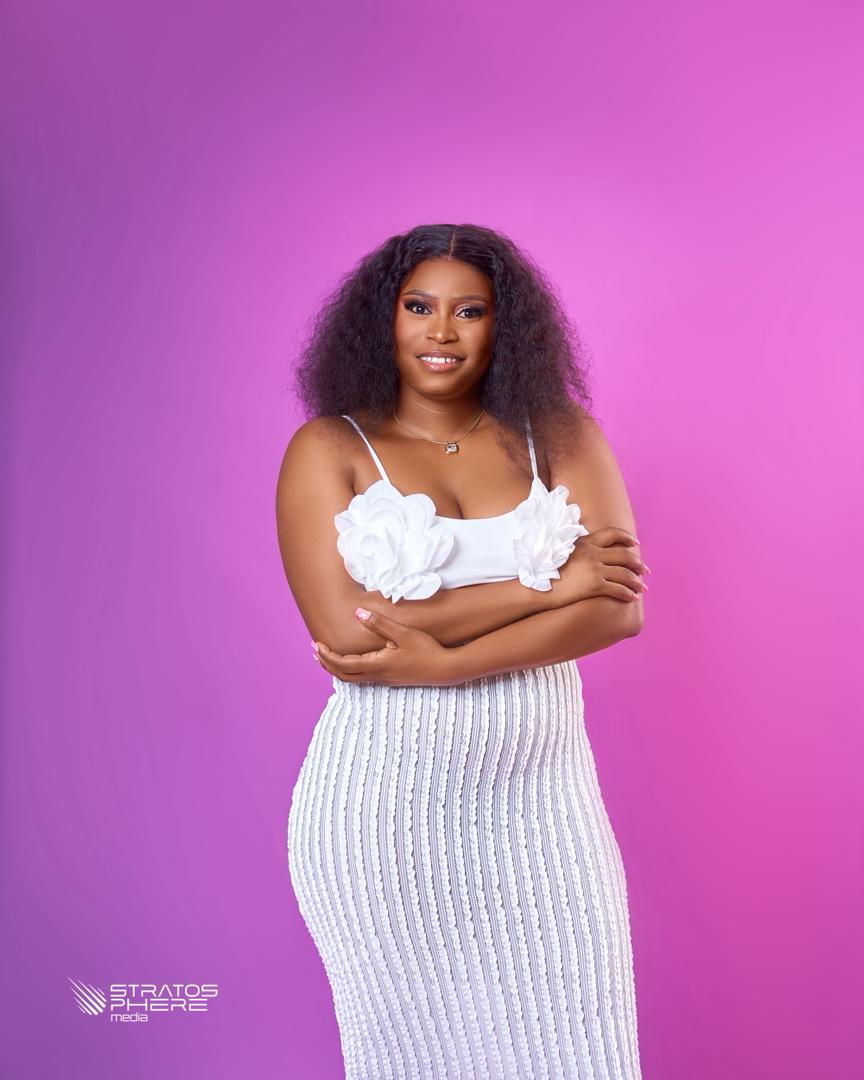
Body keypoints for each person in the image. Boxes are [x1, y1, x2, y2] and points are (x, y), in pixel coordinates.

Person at [276, 223, 648, 1079]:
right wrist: (551, 586)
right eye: (418, 307)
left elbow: (618, 611)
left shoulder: (560, 433)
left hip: (546, 805)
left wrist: (443, 659)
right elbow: (351, 631)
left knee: (583, 1053)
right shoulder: (329, 448)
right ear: (383, 319)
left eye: (470, 311)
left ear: (503, 326)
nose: (441, 331)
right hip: (382, 814)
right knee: (411, 1060)